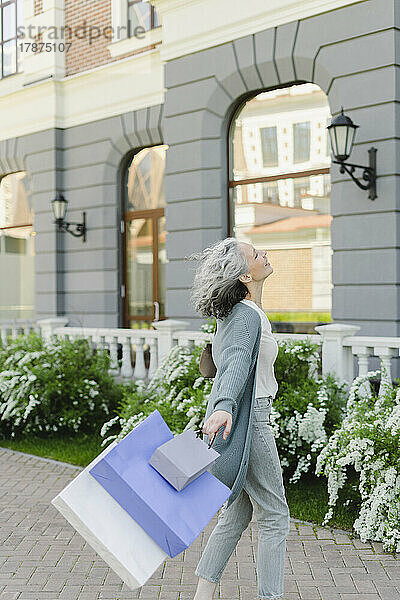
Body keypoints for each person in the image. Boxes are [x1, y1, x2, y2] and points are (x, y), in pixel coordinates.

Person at [185, 237, 291, 600]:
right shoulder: (246, 315)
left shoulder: (238, 314)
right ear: (246, 274)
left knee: (237, 512)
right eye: (257, 254)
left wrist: (224, 407)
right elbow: (234, 366)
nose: (265, 254)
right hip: (251, 421)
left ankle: (202, 593)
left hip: (241, 420)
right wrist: (224, 405)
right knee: (275, 514)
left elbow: (230, 361)